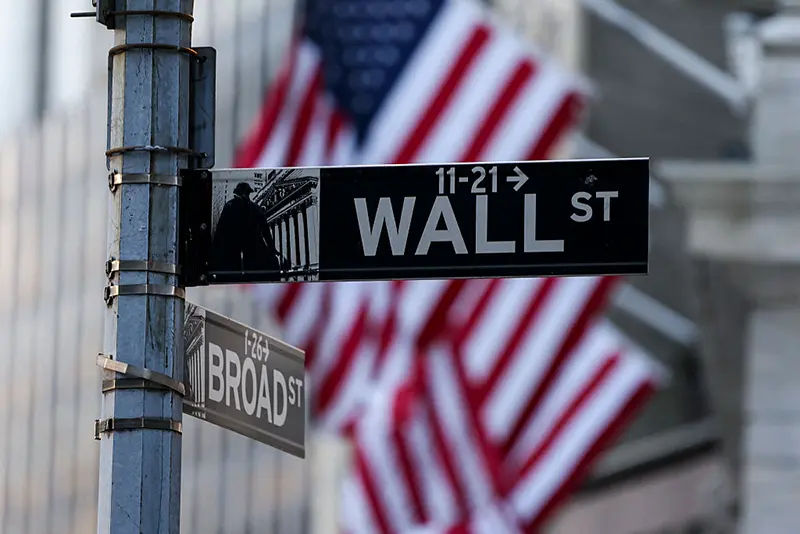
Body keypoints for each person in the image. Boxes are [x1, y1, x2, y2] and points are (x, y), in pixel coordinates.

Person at [210, 182, 285, 278]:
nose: (247, 195)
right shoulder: (254, 208)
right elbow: (266, 231)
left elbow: (220, 231)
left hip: (237, 251)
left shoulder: (230, 206)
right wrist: (271, 248)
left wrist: (215, 251)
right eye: (247, 193)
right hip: (248, 251)